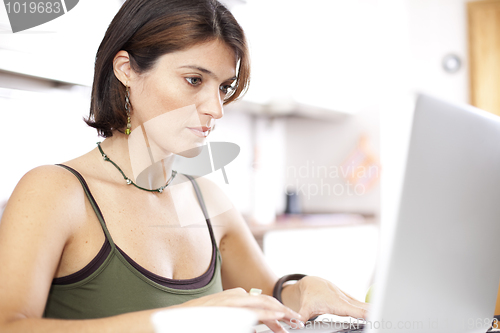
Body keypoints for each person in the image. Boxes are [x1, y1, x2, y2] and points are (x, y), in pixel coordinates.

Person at [0, 0, 369, 332]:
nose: (216, 108)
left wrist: (300, 288)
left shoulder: (209, 201)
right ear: (127, 70)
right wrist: (177, 320)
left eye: (223, 87)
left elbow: (270, 294)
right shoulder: (53, 191)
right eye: (194, 80)